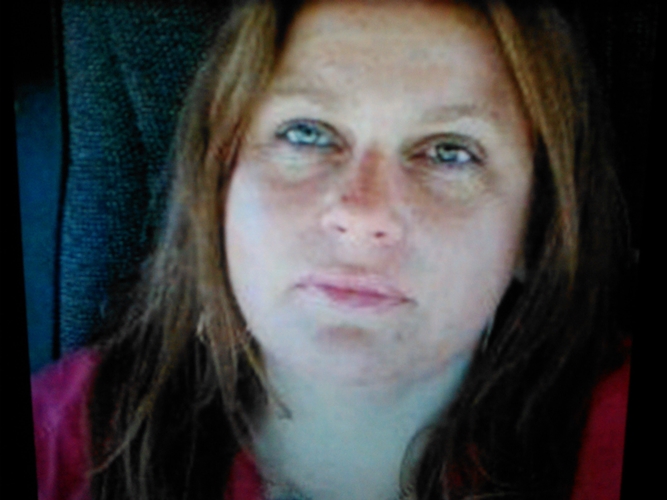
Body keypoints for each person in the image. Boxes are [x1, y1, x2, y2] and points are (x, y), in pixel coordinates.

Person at [31, 1, 631, 499]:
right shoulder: (62, 442)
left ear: (535, 225)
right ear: (218, 186)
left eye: (449, 152)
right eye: (307, 134)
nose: (363, 216)